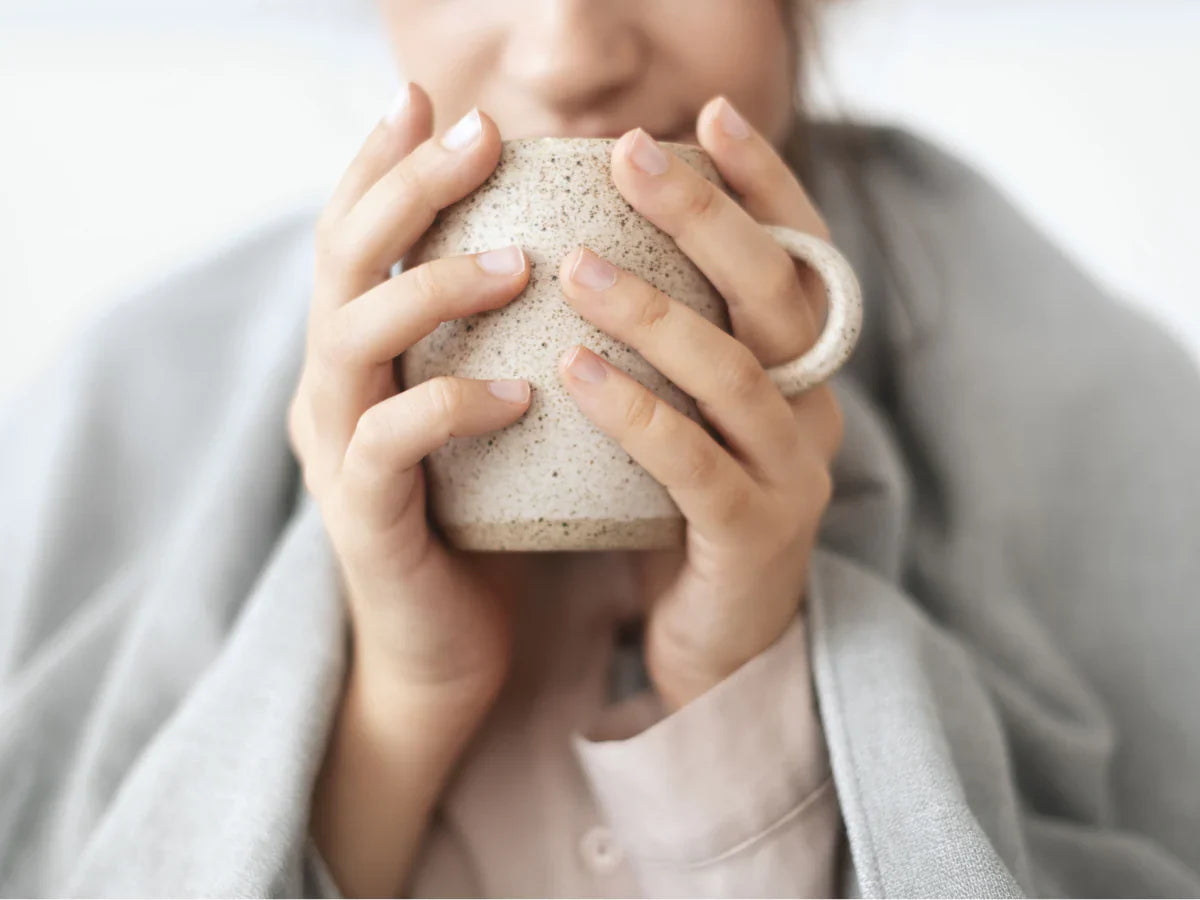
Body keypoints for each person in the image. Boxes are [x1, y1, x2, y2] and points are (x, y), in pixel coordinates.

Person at [1, 1, 1198, 897]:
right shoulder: (123, 408)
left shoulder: (1091, 404)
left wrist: (743, 676)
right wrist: (400, 699)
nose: (568, 55)